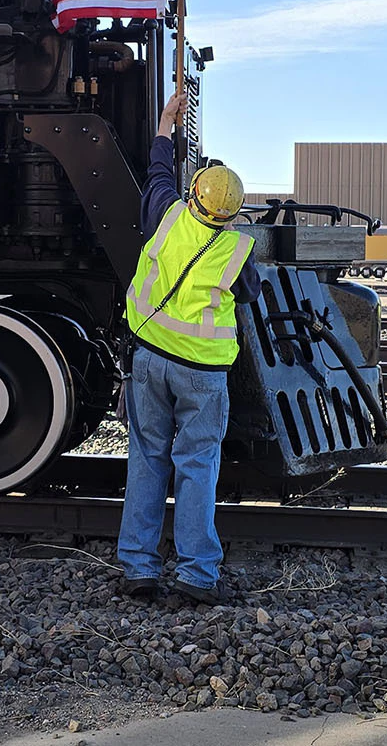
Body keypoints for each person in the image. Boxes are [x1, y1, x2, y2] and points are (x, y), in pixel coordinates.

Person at [117, 92, 261, 605]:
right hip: (202, 374)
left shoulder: (166, 214)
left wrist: (164, 124)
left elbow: (157, 171)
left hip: (149, 358)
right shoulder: (238, 251)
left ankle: (138, 568)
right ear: (233, 212)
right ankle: (197, 575)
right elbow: (250, 296)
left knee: (147, 459)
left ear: (195, 193)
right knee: (197, 465)